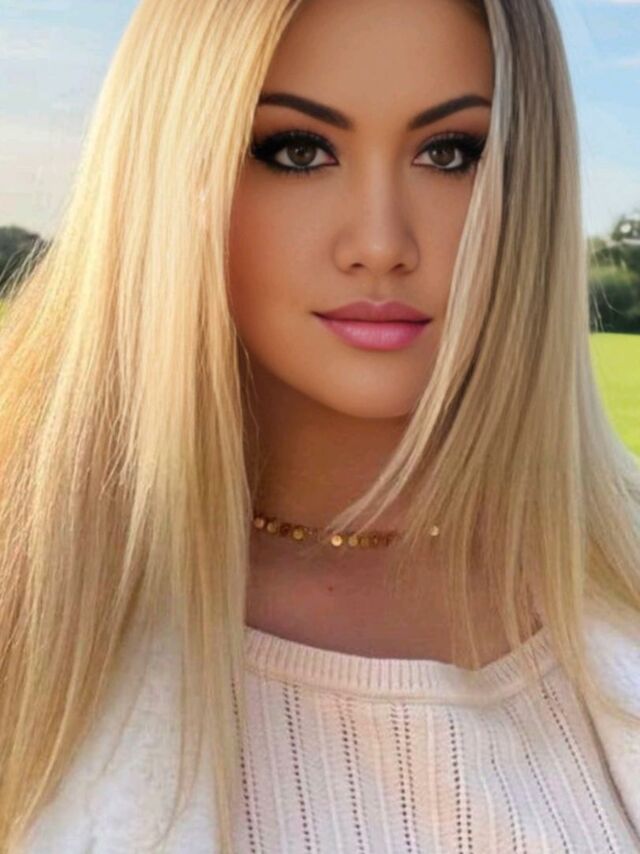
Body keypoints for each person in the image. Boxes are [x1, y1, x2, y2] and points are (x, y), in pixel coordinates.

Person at [1, 0, 639, 851]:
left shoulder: (615, 577)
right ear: (167, 167)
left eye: (450, 153)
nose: (380, 243)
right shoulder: (30, 593)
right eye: (298, 151)